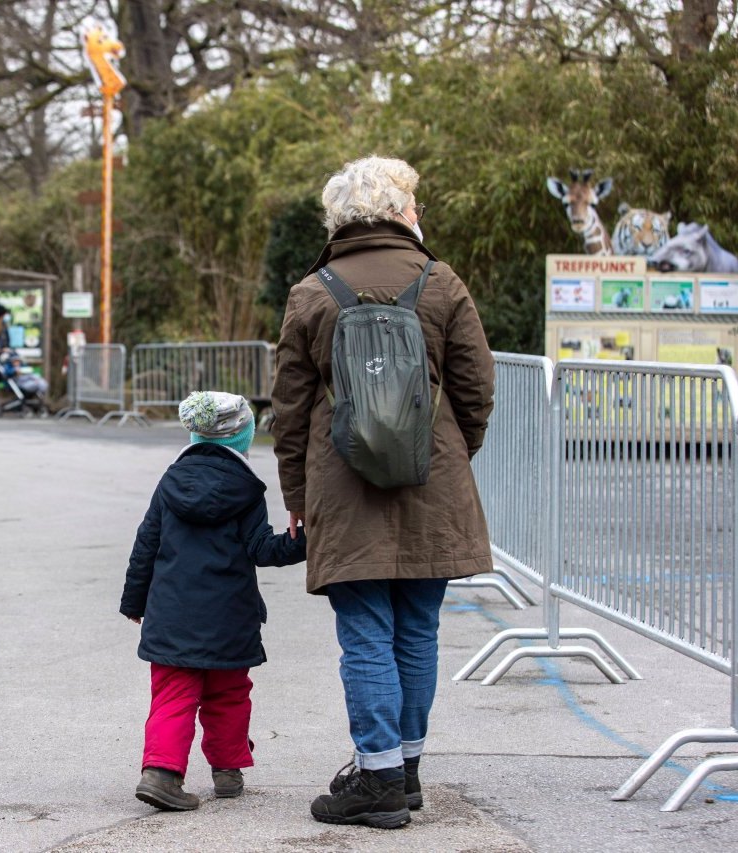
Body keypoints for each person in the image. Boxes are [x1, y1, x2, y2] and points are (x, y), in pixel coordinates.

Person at [270, 156, 494, 829]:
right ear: (400, 211)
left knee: (365, 631)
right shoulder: (441, 282)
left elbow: (289, 407)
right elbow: (477, 387)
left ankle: (379, 777)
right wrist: (451, 454)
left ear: (341, 219)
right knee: (418, 629)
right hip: (434, 481)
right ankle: (409, 769)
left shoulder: (312, 292)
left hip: (343, 484)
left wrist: (297, 490)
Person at [120, 391, 307, 812]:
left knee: (172, 693)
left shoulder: (169, 483)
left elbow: (145, 545)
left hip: (172, 615)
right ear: (242, 436)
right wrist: (307, 543)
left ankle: (161, 774)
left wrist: (135, 601)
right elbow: (262, 549)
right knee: (229, 694)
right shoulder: (247, 489)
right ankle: (227, 770)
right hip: (230, 619)